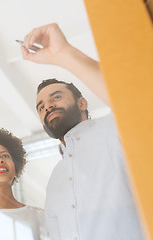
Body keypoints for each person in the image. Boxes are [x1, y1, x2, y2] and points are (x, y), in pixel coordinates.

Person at [20, 23, 144, 239]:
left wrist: (63, 54)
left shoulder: (113, 129)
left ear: (82, 103)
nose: (47, 106)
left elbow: (133, 101)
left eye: (55, 97)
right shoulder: (55, 180)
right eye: (40, 107)